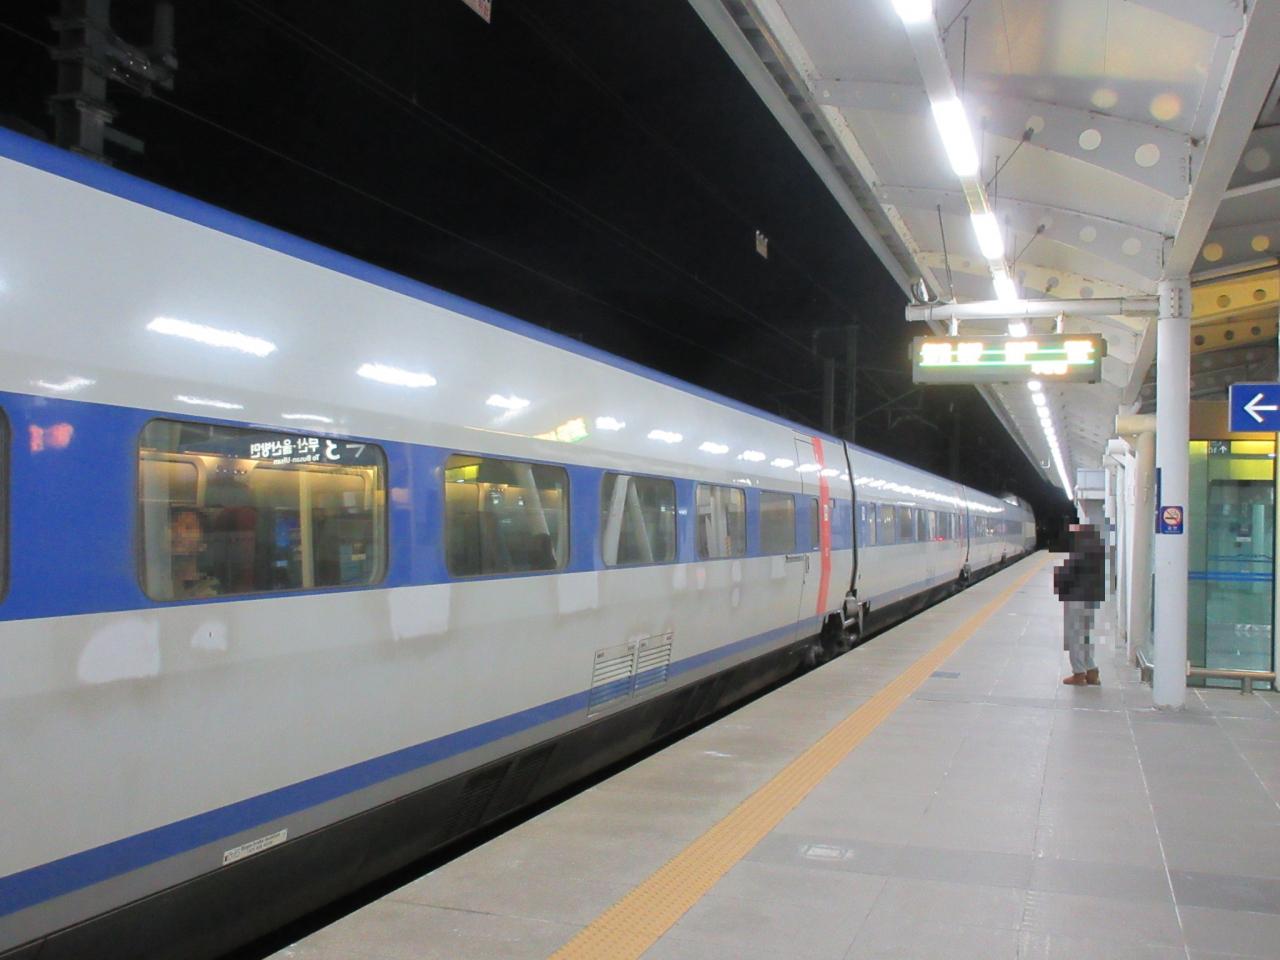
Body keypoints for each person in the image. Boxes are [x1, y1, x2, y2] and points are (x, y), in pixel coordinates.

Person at [1053, 523, 1105, 685]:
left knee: (1075, 635)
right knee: (1086, 636)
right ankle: (1092, 671)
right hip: (1090, 598)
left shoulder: (1080, 552)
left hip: (1076, 597)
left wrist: (1059, 575)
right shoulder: (1096, 550)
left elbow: (1069, 575)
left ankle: (1078, 673)